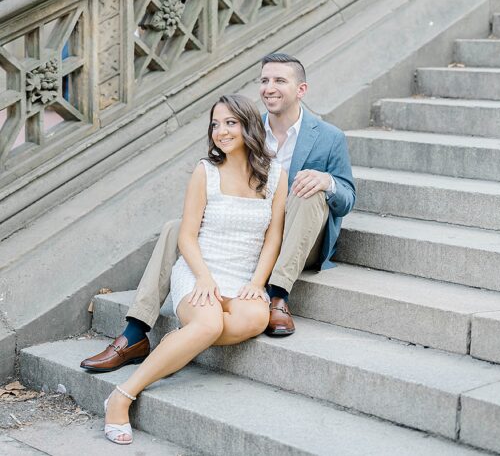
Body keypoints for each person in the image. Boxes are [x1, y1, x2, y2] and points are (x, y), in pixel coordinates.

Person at [81, 53, 356, 375]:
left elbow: (348, 198)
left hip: (295, 241)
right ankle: (135, 332)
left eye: (280, 80)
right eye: (264, 80)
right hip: (250, 238)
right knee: (176, 227)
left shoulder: (328, 137)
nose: (269, 87)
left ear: (301, 89)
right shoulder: (245, 126)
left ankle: (278, 297)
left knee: (309, 193)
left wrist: (328, 182)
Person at [103, 94, 287, 444]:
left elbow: (273, 238)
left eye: (230, 123)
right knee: (209, 322)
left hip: (243, 277)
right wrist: (203, 277)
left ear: (248, 125)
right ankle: (122, 396)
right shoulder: (206, 172)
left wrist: (257, 282)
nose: (221, 131)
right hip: (200, 269)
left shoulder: (276, 175)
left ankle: (180, 346)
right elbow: (186, 236)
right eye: (215, 124)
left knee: (253, 319)